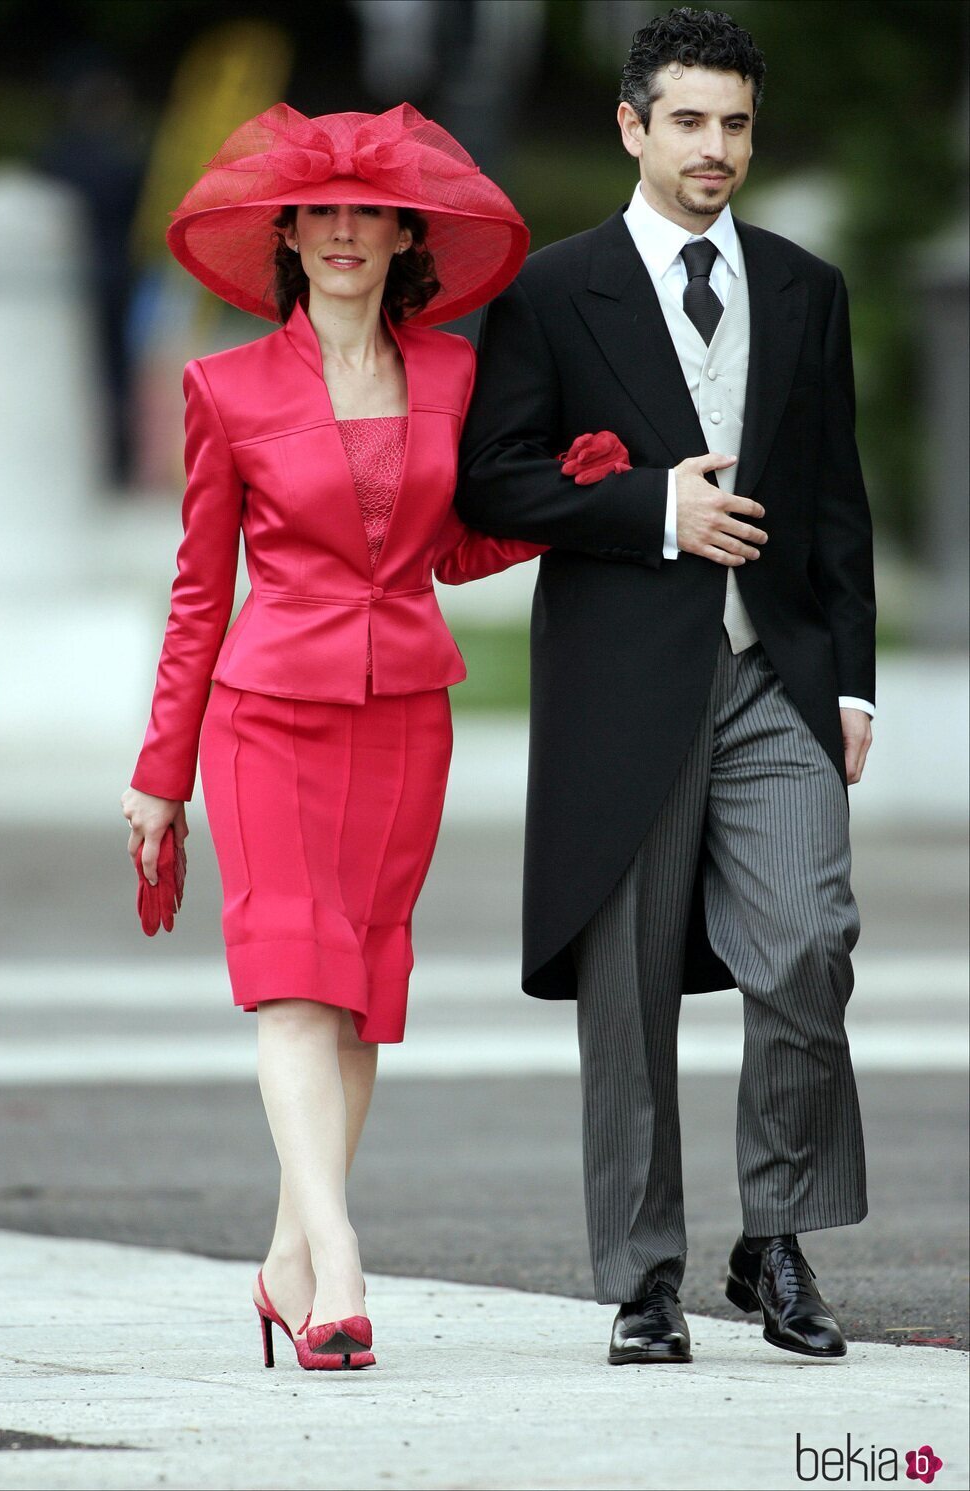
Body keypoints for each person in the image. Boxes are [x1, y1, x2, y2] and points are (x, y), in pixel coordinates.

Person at [456, 6, 875, 1364]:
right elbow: (496, 478)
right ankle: (644, 1277)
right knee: (626, 995)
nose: (715, 146)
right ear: (633, 126)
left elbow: (840, 511)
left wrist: (852, 684)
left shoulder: (809, 289)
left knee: (809, 940)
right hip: (622, 687)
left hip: (776, 679)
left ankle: (776, 1235)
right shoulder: (550, 290)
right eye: (687, 120)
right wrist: (651, 506)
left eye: (736, 122)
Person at [120, 102, 542, 1372]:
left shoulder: (458, 374)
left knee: (358, 1000)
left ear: (405, 230)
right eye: (323, 211)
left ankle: (287, 1260)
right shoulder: (223, 387)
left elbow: (450, 548)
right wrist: (160, 775)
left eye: (370, 210)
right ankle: (341, 1272)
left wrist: (557, 502)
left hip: (406, 717)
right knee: (295, 987)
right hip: (265, 720)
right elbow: (199, 594)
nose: (346, 230)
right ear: (288, 233)